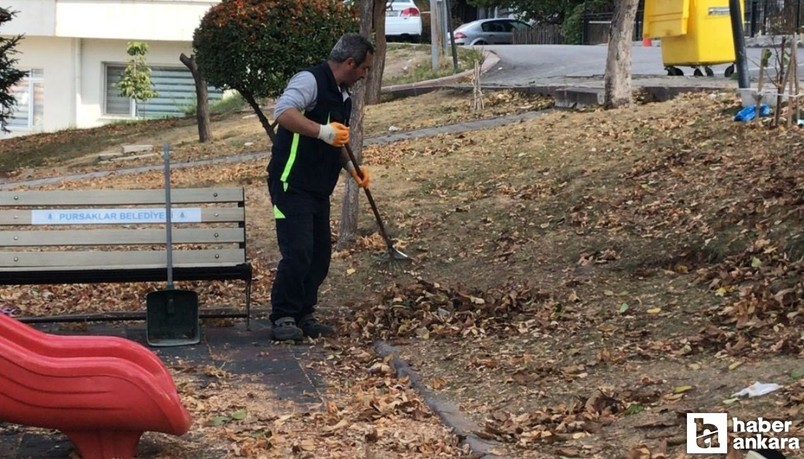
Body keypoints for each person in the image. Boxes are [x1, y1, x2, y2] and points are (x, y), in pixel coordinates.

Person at [266, 33, 374, 342]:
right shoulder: (310, 80)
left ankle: (304, 314)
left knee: (318, 257)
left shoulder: (343, 96)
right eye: (364, 68)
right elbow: (284, 113)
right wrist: (321, 132)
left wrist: (352, 167)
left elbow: (336, 138)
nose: (365, 74)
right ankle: (283, 316)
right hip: (290, 182)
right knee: (297, 251)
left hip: (318, 187)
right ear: (350, 63)